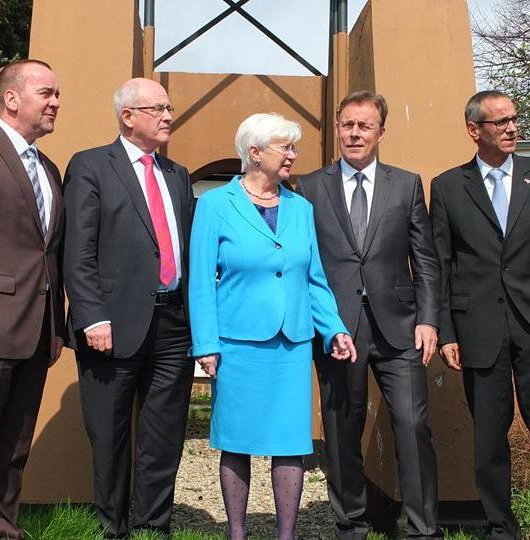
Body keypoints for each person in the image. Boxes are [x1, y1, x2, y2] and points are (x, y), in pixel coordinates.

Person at [189, 112, 356, 540]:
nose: (293, 156)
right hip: (238, 343)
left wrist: (334, 329)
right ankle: (237, 533)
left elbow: (313, 278)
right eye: (286, 147)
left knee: (290, 442)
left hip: (292, 344)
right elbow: (201, 281)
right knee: (236, 439)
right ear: (255, 152)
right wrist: (206, 343)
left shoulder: (301, 208)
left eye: (293, 147)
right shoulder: (213, 205)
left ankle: (287, 534)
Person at [297, 91, 442, 539]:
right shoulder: (309, 187)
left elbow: (426, 259)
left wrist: (429, 318)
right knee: (343, 430)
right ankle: (351, 525)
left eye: (364, 125)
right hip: (338, 329)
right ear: (337, 128)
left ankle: (422, 528)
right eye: (347, 124)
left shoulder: (407, 184)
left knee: (413, 424)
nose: (354, 133)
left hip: (401, 326)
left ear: (381, 131)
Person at [63, 78, 195, 539]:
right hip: (112, 324)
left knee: (164, 433)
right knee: (111, 433)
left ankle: (153, 524)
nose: (167, 116)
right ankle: (111, 527)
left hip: (174, 323)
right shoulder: (91, 166)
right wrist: (91, 316)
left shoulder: (177, 174)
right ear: (128, 116)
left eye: (169, 107)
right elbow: (77, 251)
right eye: (157, 108)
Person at [430, 90, 530, 540]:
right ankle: (500, 528)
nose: (513, 127)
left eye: (515, 119)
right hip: (478, 328)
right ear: (475, 130)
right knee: (489, 439)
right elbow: (440, 264)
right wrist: (447, 330)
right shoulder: (449, 187)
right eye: (501, 122)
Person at [0, 59, 64, 540]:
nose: (57, 102)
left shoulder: (49, 167)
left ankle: (1, 526)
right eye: (47, 92)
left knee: (13, 443)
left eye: (58, 94)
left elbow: (46, 249)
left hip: (37, 328)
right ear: (12, 98)